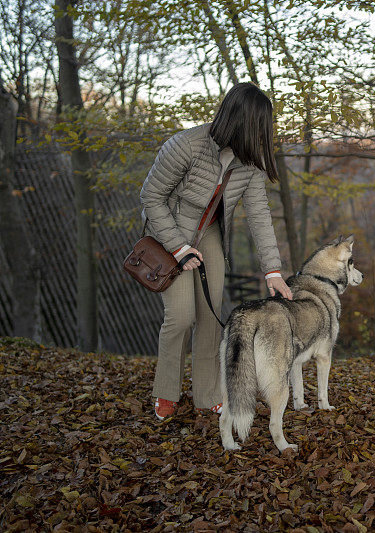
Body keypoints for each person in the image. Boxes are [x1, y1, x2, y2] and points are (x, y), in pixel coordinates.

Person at [140, 82, 293, 420]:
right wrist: (179, 248)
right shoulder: (185, 145)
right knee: (182, 317)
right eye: (260, 127)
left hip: (209, 232)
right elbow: (151, 197)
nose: (264, 136)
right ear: (242, 122)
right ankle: (166, 393)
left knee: (210, 318)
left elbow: (259, 215)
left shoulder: (248, 163)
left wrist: (273, 271)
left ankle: (207, 395)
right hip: (169, 232)